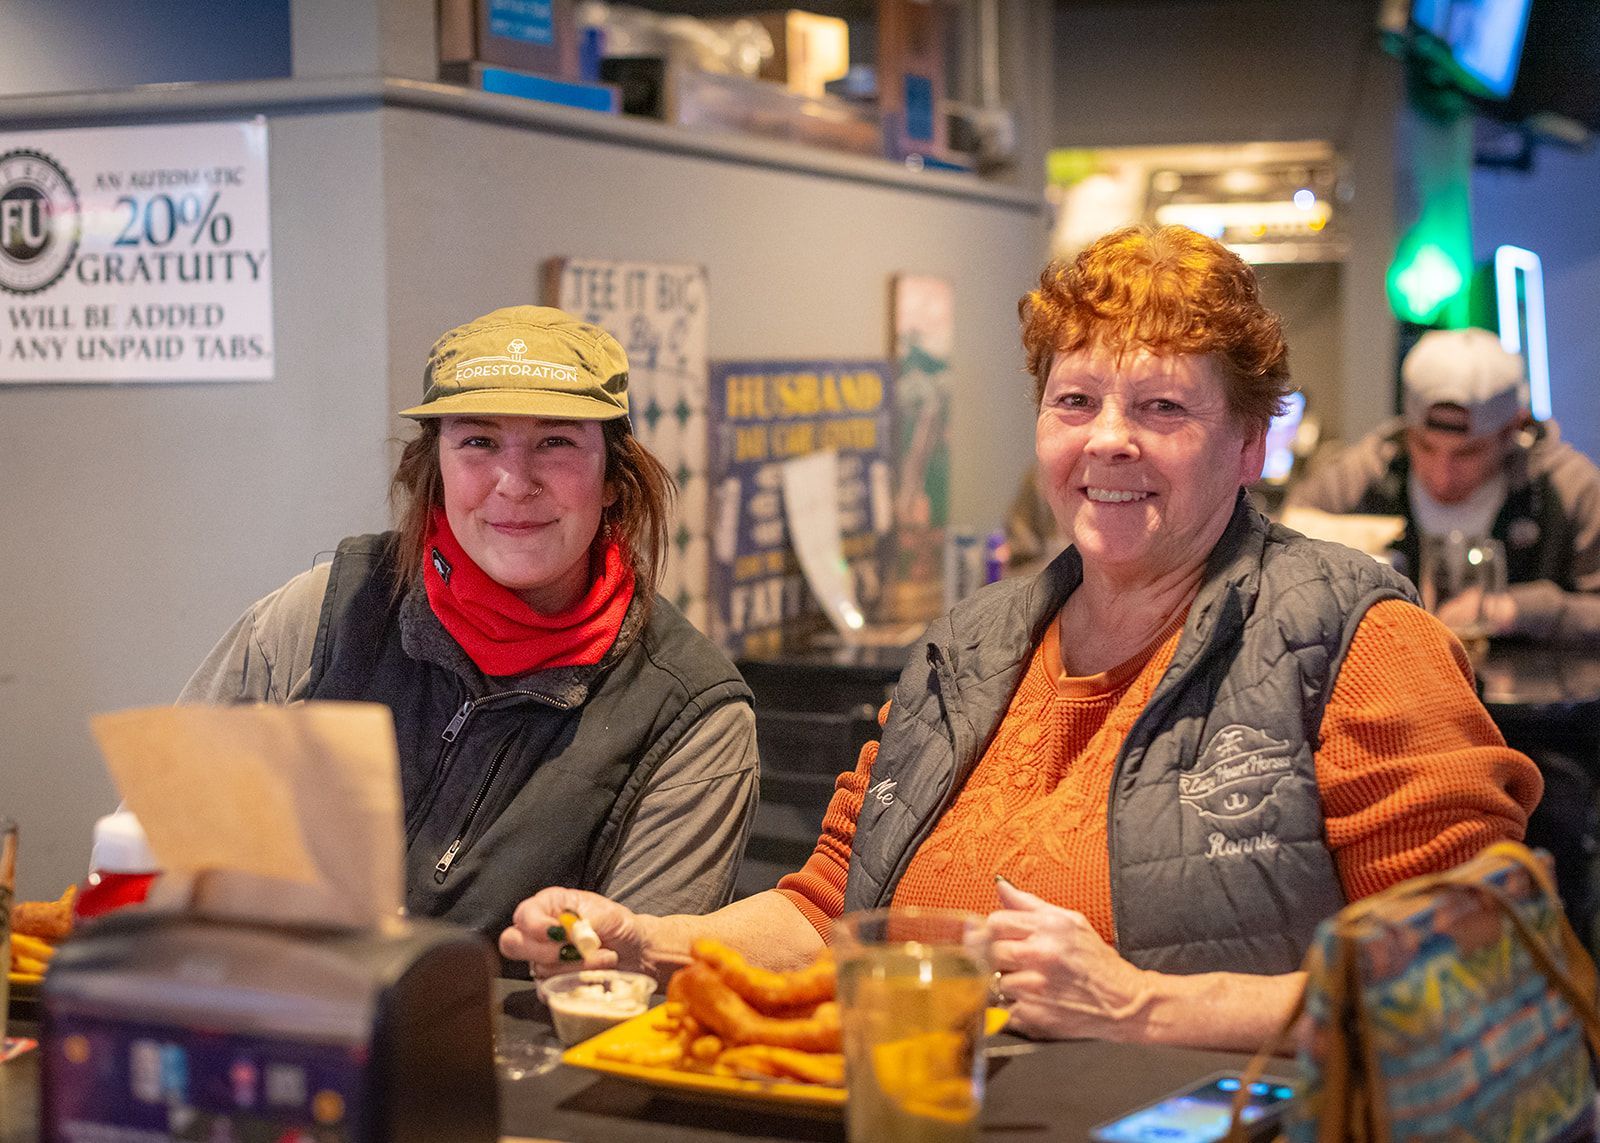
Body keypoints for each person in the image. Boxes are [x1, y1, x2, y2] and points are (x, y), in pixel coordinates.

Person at [500, 226, 1541, 1052]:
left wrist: (1138, 1006)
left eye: (1163, 405)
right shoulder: (974, 645)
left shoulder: (1357, 640)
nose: (1107, 439)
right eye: (1074, 400)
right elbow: (829, 911)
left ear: (1250, 442)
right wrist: (650, 940)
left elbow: (1465, 981)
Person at [182, 306, 759, 957]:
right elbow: (160, 857)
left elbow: (631, 997)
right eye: (478, 442)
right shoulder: (317, 617)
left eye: (557, 442)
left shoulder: (692, 716)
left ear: (612, 481)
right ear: (436, 469)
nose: (514, 483)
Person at [1288, 326, 1600, 641]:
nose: (1442, 474)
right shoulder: (1368, 472)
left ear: (1511, 431)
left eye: (1468, 452)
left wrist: (1520, 610)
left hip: (1533, 686)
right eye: (1424, 446)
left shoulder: (1568, 487)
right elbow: (1286, 547)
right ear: (1406, 428)